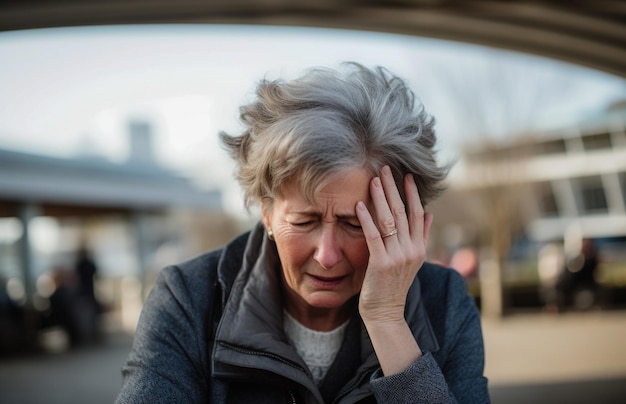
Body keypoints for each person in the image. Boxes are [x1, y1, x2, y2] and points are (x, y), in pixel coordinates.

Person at [116, 63, 489, 403]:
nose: (327, 255)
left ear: (402, 219)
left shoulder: (446, 302)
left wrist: (389, 322)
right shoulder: (187, 300)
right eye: (304, 221)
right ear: (266, 211)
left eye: (355, 224)